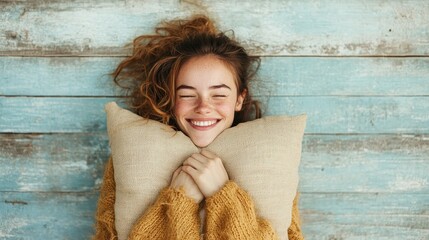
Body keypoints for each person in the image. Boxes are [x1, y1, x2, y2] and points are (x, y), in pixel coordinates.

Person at [93, 15, 304, 240]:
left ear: (239, 99)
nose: (203, 107)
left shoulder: (271, 161)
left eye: (219, 94)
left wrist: (223, 196)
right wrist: (179, 201)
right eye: (187, 94)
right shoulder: (132, 158)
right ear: (171, 99)